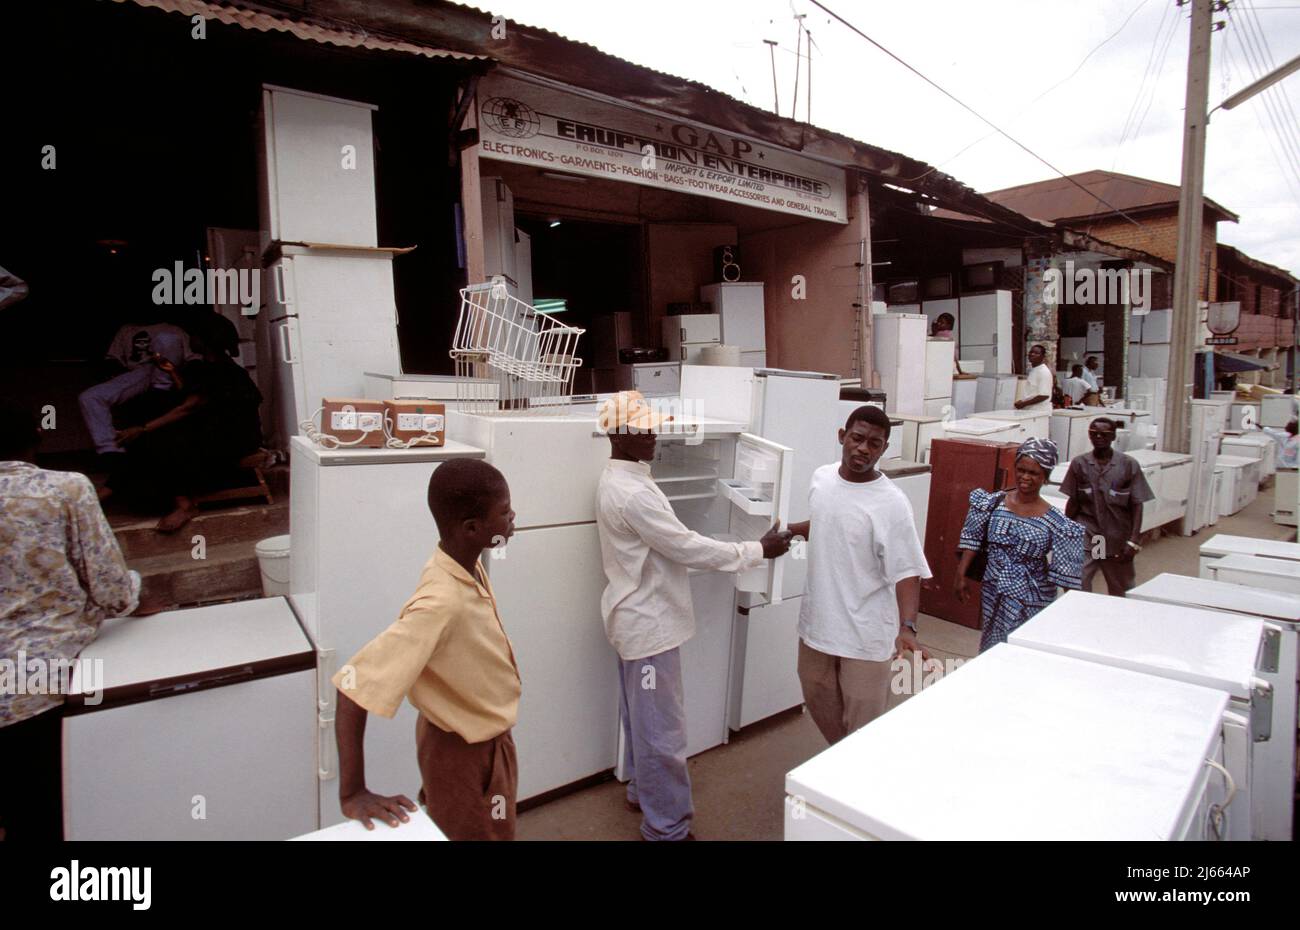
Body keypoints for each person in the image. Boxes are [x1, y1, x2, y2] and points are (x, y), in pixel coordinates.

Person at [595, 390, 790, 841]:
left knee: (642, 720)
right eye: (643, 429)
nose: (654, 436)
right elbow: (685, 546)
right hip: (649, 628)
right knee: (662, 730)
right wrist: (756, 549)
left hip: (634, 621)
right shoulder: (632, 493)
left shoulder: (625, 477)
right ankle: (667, 828)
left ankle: (645, 793)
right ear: (618, 434)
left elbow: (673, 541)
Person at [331, 458, 521, 840]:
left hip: (488, 743)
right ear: (472, 528)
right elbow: (351, 686)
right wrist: (352, 792)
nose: (513, 516)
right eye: (504, 512)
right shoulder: (440, 603)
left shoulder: (464, 563)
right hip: (459, 753)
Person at [0, 399, 141, 841]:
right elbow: (112, 591)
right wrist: (136, 589)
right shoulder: (65, 489)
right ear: (38, 439)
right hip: (29, 683)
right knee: (42, 815)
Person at [785, 405, 931, 745]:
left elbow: (908, 570)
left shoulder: (891, 503)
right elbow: (828, 520)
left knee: (863, 727)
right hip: (817, 624)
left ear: (884, 449)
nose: (864, 449)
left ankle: (854, 778)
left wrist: (907, 627)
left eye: (875, 444)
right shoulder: (822, 478)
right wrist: (788, 531)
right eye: (857, 438)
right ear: (842, 437)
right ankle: (842, 770)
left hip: (865, 635)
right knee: (818, 700)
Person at [110, 314, 262, 532]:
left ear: (204, 340)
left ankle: (185, 505)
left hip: (235, 438)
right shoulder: (211, 367)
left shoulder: (220, 370)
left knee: (162, 439)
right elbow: (193, 395)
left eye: (193, 335)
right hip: (221, 432)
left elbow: (188, 406)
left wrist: (142, 428)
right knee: (158, 435)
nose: (190, 339)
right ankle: (109, 492)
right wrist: (172, 371)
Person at [954, 438, 1085, 652]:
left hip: (1033, 597)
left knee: (1023, 646)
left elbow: (1067, 575)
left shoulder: (1059, 524)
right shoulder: (991, 503)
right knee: (992, 644)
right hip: (994, 588)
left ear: (1046, 477)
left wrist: (1074, 613)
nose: (1025, 477)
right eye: (1021, 470)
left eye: (1034, 473)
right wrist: (960, 575)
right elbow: (973, 538)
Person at [1060, 418, 1154, 597]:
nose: (1098, 437)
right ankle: (1082, 619)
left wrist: (1133, 541)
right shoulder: (1080, 464)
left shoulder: (1128, 465)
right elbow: (1073, 503)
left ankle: (1117, 622)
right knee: (1077, 583)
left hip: (1117, 538)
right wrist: (1066, 535)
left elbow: (1137, 505)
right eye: (1093, 433)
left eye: (1104, 434)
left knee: (1121, 588)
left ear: (1113, 437)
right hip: (1091, 536)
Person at [78, 322, 192, 462]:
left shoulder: (173, 329)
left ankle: (160, 391)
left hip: (169, 373)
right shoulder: (127, 329)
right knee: (90, 397)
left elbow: (192, 359)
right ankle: (111, 451)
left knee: (166, 338)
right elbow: (113, 360)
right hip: (137, 373)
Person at [1014, 344, 1054, 414]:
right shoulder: (1034, 370)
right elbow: (1032, 392)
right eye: (1031, 352)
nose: (1032, 354)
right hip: (1030, 411)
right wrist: (1022, 402)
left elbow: (1044, 395)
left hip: (1039, 412)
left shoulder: (1043, 372)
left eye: (1036, 353)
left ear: (1043, 357)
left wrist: (1023, 404)